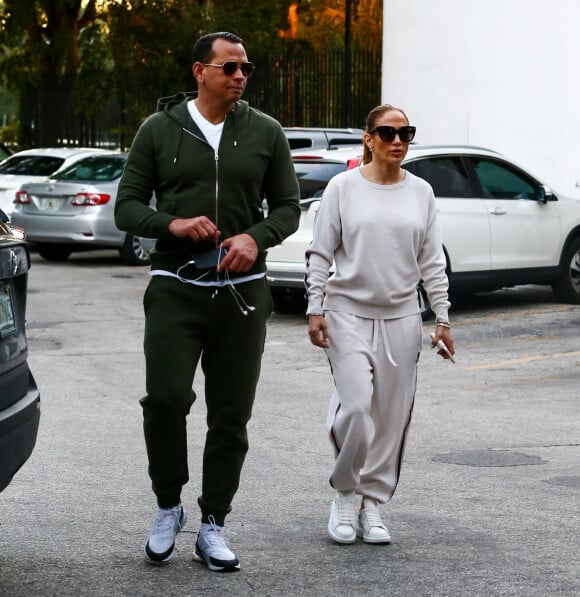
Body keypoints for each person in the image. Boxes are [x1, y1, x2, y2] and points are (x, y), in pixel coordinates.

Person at [114, 31, 300, 571]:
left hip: (242, 296)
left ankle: (213, 522)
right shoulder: (159, 129)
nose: (241, 76)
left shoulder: (265, 132)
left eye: (246, 68)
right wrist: (169, 223)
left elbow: (287, 206)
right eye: (230, 68)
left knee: (231, 416)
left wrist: (254, 238)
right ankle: (168, 505)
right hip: (175, 286)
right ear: (200, 72)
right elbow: (126, 208)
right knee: (167, 400)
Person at [305, 103, 454, 545]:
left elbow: (432, 259)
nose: (397, 142)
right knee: (355, 407)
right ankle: (345, 493)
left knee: (390, 418)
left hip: (402, 317)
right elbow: (321, 252)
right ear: (367, 139)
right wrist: (316, 307)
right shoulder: (343, 187)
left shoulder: (421, 192)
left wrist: (442, 317)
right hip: (347, 312)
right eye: (387, 133)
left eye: (405, 133)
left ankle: (372, 504)